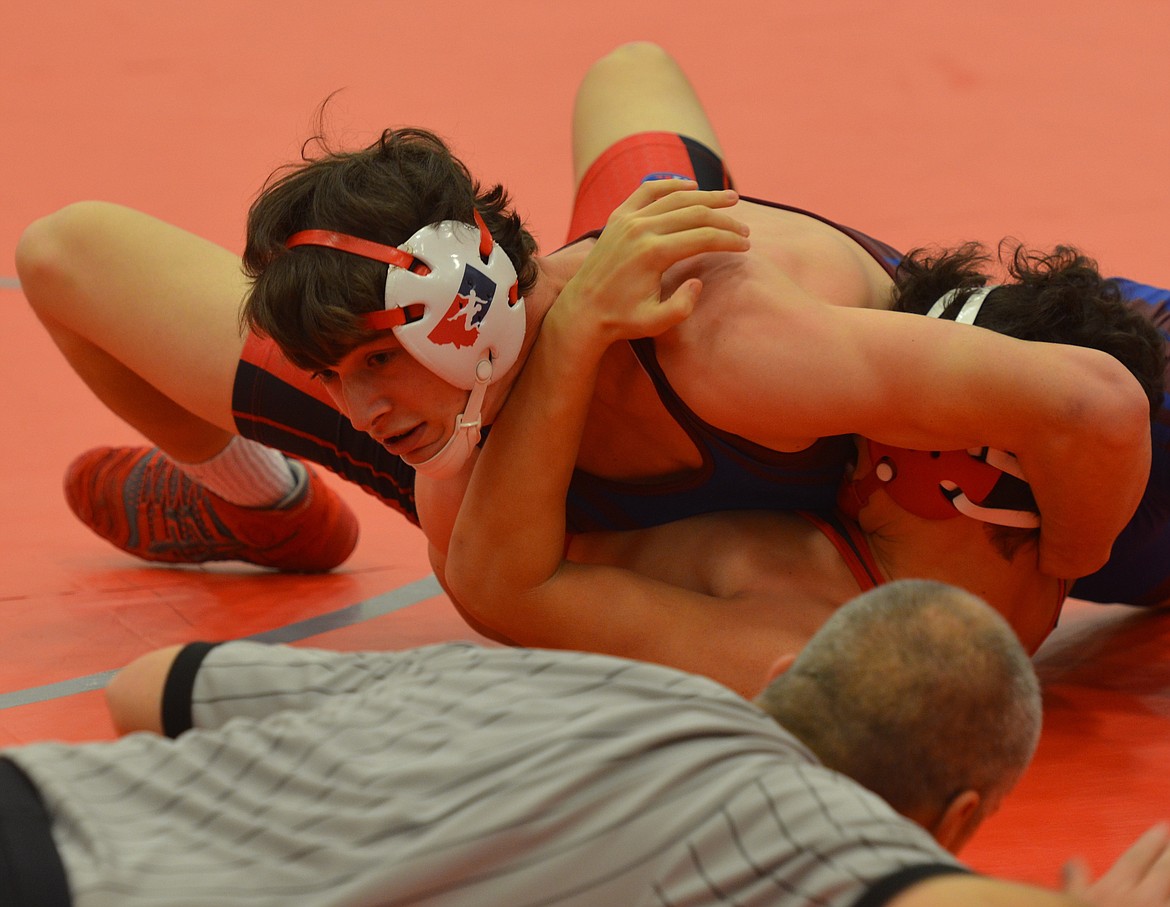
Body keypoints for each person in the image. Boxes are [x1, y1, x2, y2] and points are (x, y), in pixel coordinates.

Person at [14, 43, 1167, 602]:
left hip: (628, 368)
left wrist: (1059, 572)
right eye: (331, 372)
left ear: (458, 306)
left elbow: (1090, 408)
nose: (354, 400)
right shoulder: (438, 414)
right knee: (63, 250)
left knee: (665, 236)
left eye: (369, 357)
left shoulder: (726, 346)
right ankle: (265, 509)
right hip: (517, 377)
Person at [0, 578, 1164, 906]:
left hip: (38, 794)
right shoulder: (791, 822)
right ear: (954, 822)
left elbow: (151, 683)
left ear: (774, 676)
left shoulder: (560, 679)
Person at [440, 179, 1162, 694]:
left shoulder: (798, 600)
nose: (857, 450)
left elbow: (501, 580)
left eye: (898, 448)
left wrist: (571, 329)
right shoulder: (810, 574)